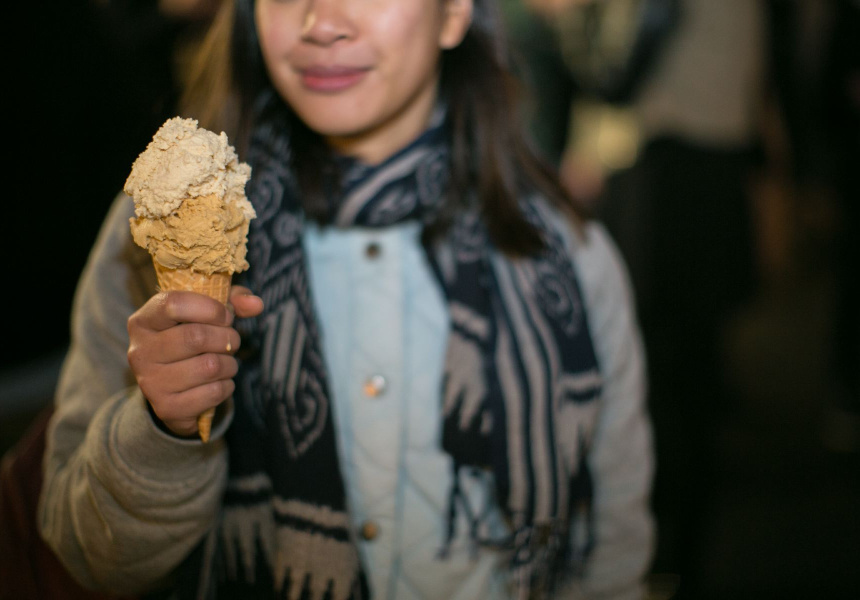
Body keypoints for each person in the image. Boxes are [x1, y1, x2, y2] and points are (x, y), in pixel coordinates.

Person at [38, 1, 654, 598]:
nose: (321, 23)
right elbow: (89, 554)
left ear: (453, 12)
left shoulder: (567, 255)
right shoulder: (164, 225)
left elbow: (615, 550)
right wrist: (160, 430)